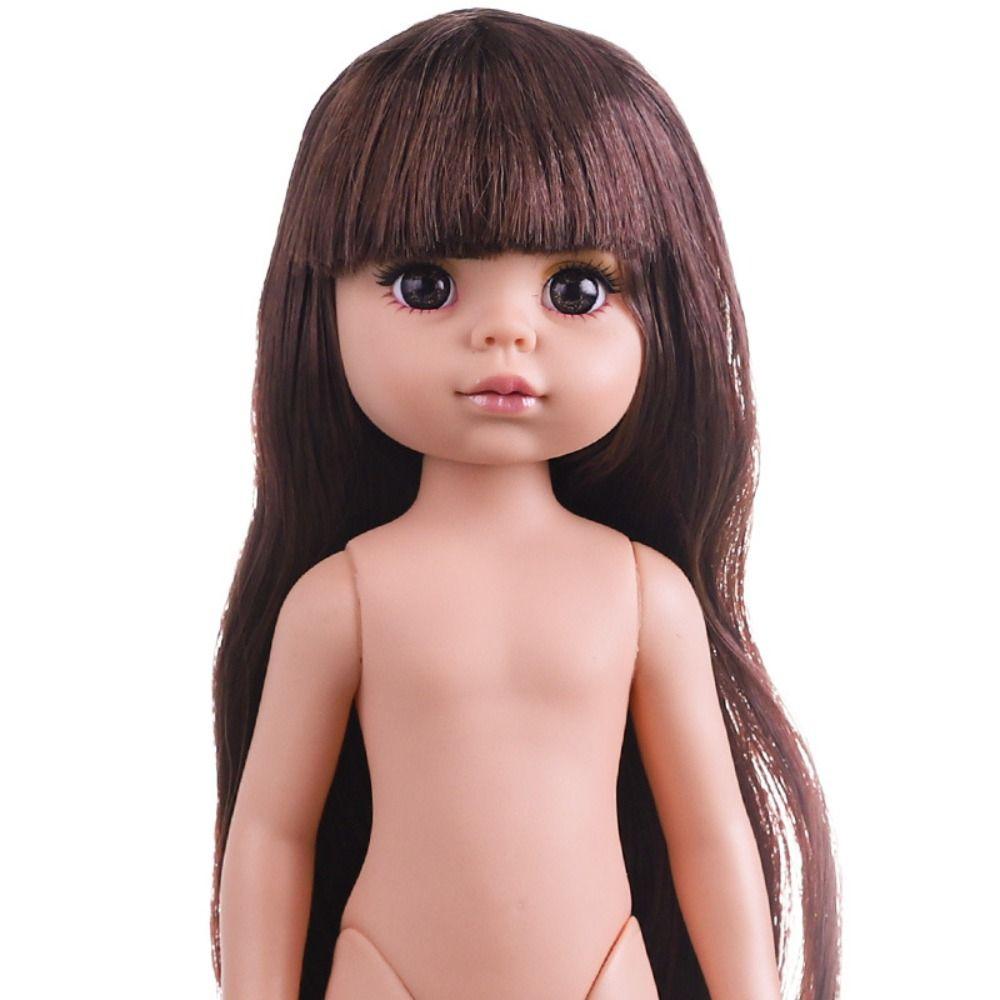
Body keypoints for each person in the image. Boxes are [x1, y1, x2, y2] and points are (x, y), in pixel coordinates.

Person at [211, 9, 841, 998]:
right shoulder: (342, 599)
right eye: (426, 285)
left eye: (576, 289)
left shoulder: (642, 593)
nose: (505, 332)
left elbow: (710, 833)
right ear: (317, 305)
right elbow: (270, 835)